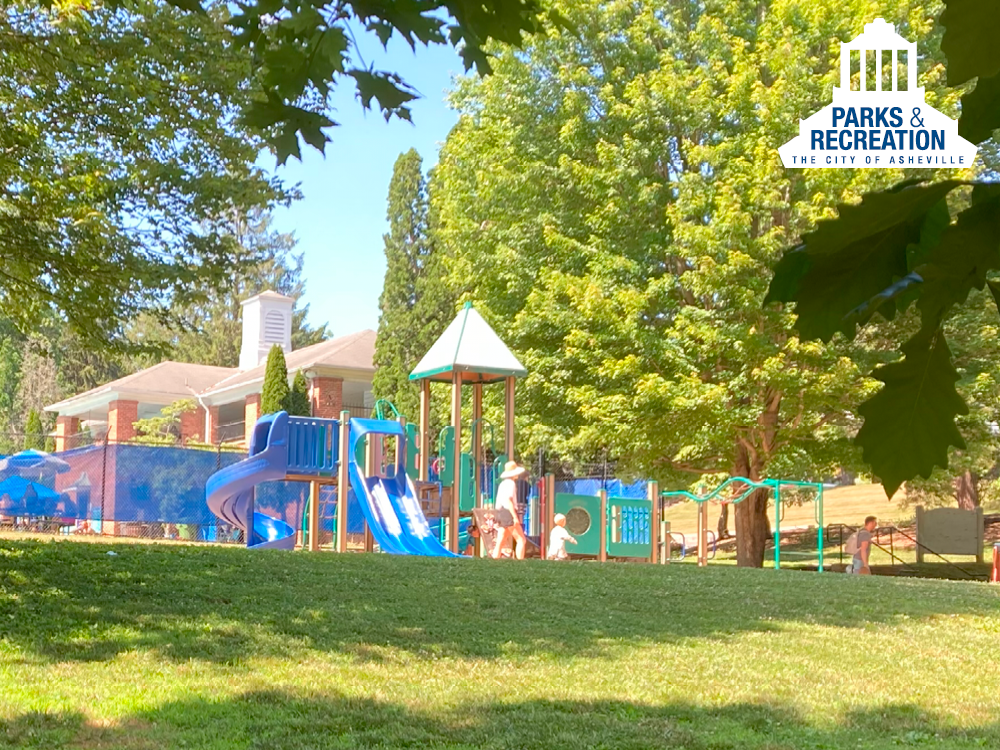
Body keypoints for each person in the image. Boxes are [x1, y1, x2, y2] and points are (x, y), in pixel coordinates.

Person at [492, 460, 528, 560]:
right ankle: (520, 562)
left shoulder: (502, 484)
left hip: (501, 512)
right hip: (508, 512)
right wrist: (515, 517)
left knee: (501, 540)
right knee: (521, 539)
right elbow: (509, 500)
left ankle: (494, 559)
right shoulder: (511, 483)